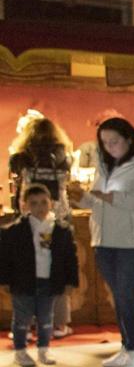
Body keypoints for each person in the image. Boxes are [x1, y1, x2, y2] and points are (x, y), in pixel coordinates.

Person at [67, 117, 134, 367]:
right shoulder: (105, 165)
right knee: (119, 296)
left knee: (128, 294)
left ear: (128, 139)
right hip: (105, 240)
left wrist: (115, 197)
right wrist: (82, 199)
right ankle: (126, 347)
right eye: (104, 142)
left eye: (114, 141)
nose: (109, 147)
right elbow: (98, 201)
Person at [9, 116, 74, 338]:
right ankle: (58, 324)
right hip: (57, 220)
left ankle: (25, 325)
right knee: (57, 271)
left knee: (26, 271)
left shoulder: (21, 156)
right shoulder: (64, 156)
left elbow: (15, 178)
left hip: (29, 221)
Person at [0, 184, 78, 367]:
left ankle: (44, 348)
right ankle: (20, 350)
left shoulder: (62, 230)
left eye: (44, 202)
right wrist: (4, 280)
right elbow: (4, 258)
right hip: (23, 281)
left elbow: (70, 258)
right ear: (25, 205)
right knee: (22, 318)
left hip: (49, 281)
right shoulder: (13, 231)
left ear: (51, 203)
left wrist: (71, 281)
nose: (40, 207)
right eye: (33, 203)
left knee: (46, 317)